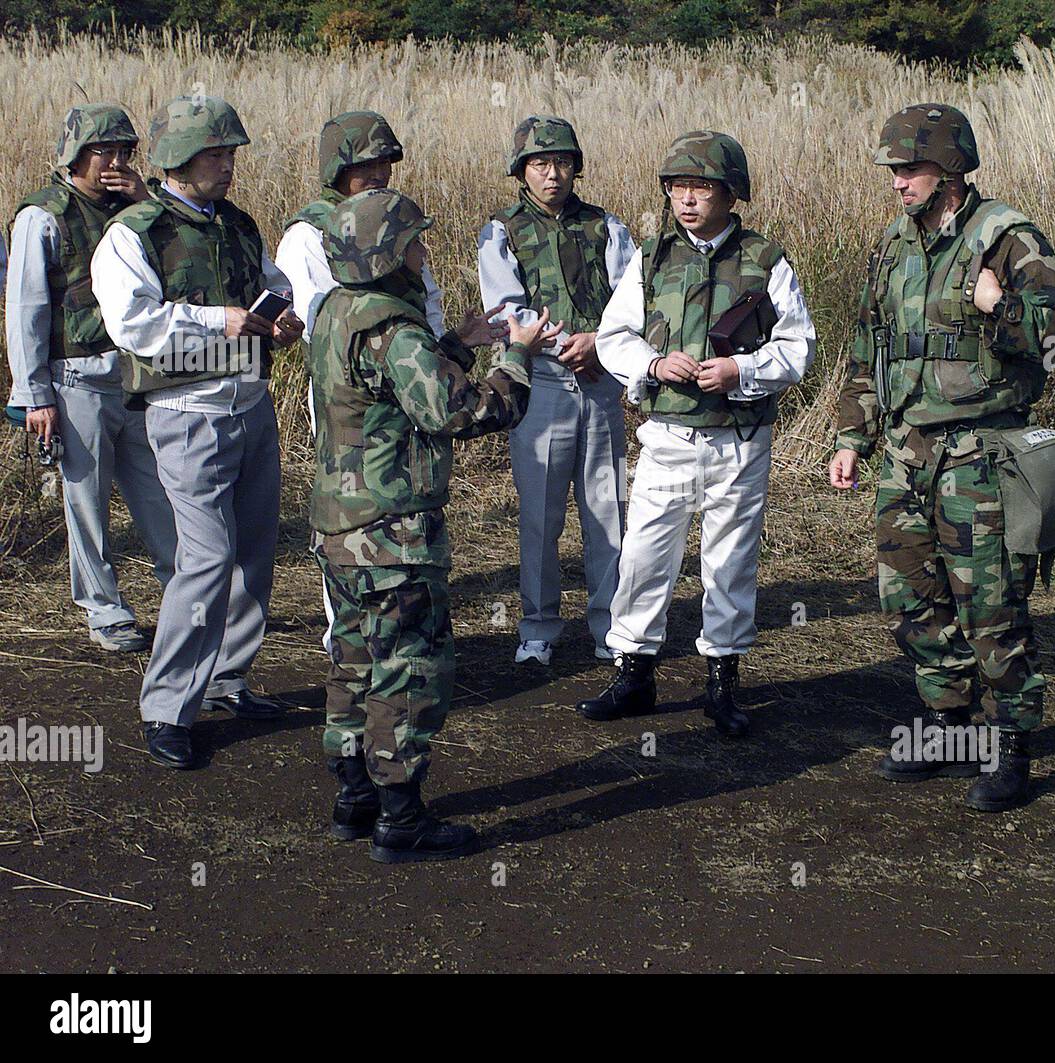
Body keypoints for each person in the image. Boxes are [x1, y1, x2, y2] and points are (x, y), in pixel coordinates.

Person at [829, 104, 1055, 811]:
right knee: (913, 599)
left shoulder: (1003, 237)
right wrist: (853, 435)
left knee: (991, 609)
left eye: (908, 169)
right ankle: (948, 727)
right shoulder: (894, 243)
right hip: (906, 454)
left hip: (981, 457)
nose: (896, 184)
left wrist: (999, 307)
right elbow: (869, 344)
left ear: (948, 170)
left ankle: (1011, 746)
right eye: (892, 171)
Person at [308, 187, 555, 862]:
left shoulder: (336, 310)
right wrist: (516, 356)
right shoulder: (397, 327)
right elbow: (465, 412)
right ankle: (401, 815)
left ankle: (354, 792)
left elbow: (386, 387)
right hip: (394, 533)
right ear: (387, 255)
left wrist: (456, 341)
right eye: (413, 242)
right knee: (410, 667)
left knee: (354, 660)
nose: (423, 251)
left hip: (341, 523)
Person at [576, 131, 815, 737]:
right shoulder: (652, 258)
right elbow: (613, 337)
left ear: (730, 194)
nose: (686, 200)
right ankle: (633, 674)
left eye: (701, 188)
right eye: (677, 187)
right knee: (645, 556)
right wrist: (653, 365)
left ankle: (722, 683)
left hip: (740, 438)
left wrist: (742, 370)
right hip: (669, 435)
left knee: (730, 560)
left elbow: (798, 348)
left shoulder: (766, 259)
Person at [91, 93, 304, 769]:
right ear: (180, 158)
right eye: (216, 154)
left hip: (250, 406)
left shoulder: (237, 224)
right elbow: (135, 325)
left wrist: (281, 319)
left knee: (253, 556)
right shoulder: (135, 232)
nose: (229, 165)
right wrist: (221, 321)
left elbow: (274, 283)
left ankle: (228, 678)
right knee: (206, 561)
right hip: (188, 415)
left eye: (232, 153)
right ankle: (166, 705)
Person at [276, 110, 503, 655]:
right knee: (357, 508)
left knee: (402, 510)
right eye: (363, 165)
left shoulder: (393, 222)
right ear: (337, 170)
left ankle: (388, 644)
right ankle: (355, 642)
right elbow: (324, 321)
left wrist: (447, 353)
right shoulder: (311, 233)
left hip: (414, 381)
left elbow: (425, 300)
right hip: (355, 394)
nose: (376, 173)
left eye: (384, 162)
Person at [5, 104, 176, 651]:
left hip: (140, 382)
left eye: (127, 150)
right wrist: (34, 395)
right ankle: (106, 612)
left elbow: (182, 254)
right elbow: (27, 308)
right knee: (87, 505)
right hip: (76, 382)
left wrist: (144, 201)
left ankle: (184, 595)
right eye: (107, 150)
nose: (118, 161)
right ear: (77, 153)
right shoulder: (44, 215)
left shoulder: (142, 206)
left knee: (163, 498)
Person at [477, 115, 636, 666]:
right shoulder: (501, 230)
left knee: (607, 511)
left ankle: (611, 629)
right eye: (541, 164)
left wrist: (601, 343)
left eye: (563, 163)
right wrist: (570, 343)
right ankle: (537, 629)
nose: (553, 174)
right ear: (522, 170)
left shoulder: (607, 225)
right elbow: (506, 308)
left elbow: (631, 300)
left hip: (600, 382)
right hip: (540, 384)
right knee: (540, 515)